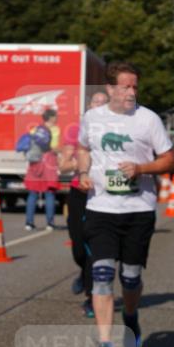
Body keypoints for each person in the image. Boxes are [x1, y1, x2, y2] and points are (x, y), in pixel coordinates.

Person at [77, 61, 174, 347]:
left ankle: (131, 317)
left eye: (135, 86)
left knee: (130, 278)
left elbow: (170, 160)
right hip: (101, 209)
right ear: (110, 89)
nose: (132, 92)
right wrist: (82, 171)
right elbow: (82, 149)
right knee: (102, 275)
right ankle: (105, 346)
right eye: (126, 86)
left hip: (138, 210)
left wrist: (141, 169)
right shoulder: (91, 118)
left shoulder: (148, 120)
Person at [66, 91, 108, 318]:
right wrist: (73, 163)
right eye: (96, 102)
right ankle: (83, 272)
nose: (99, 106)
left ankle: (91, 298)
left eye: (103, 103)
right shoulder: (75, 130)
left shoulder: (113, 130)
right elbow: (62, 164)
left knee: (95, 248)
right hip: (78, 193)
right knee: (78, 246)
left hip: (100, 194)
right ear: (89, 107)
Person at [25, 109, 59, 231]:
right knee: (49, 193)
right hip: (48, 163)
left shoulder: (35, 129)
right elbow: (54, 148)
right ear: (51, 118)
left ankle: (29, 223)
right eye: (56, 116)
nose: (57, 118)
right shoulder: (55, 130)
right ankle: (50, 223)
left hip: (35, 163)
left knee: (33, 193)